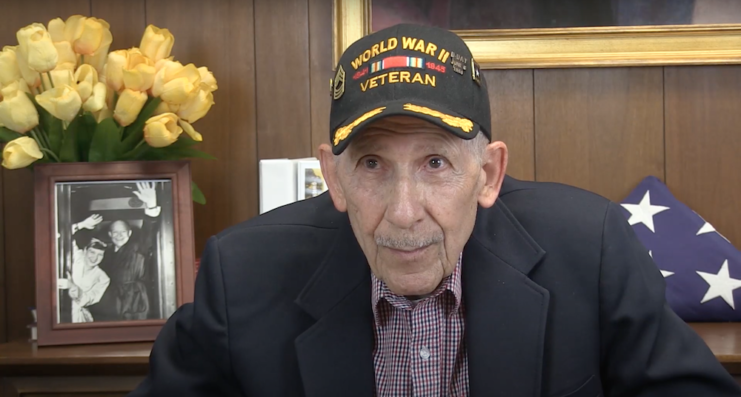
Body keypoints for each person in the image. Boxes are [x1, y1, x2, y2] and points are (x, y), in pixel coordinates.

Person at [129, 24, 741, 396]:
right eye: (371, 165)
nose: (403, 213)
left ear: (489, 173)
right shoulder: (242, 276)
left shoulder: (594, 249)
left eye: (436, 164)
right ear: (333, 178)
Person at [92, 182, 162, 322]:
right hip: (110, 304)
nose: (119, 235)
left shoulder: (139, 247)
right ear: (110, 235)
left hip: (135, 303)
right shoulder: (104, 253)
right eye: (115, 232)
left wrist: (151, 206)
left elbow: (149, 231)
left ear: (129, 233)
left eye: (122, 231)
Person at [66, 214, 110, 323]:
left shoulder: (103, 278)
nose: (95, 258)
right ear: (85, 250)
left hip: (78, 317)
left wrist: (72, 286)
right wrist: (82, 225)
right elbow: (59, 235)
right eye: (92, 252)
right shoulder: (76, 255)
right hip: (58, 309)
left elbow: (88, 299)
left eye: (100, 255)